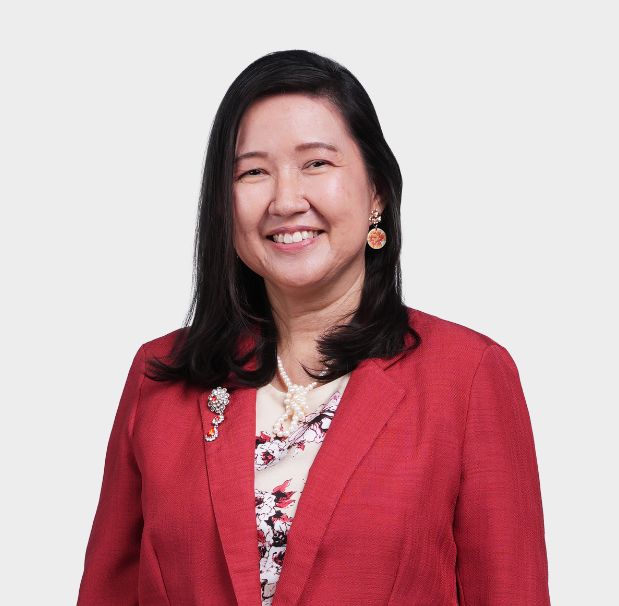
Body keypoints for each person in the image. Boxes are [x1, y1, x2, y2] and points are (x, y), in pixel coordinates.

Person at [76, 49, 551, 606]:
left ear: (377, 191)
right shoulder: (159, 379)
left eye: (317, 164)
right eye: (253, 172)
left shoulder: (467, 377)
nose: (285, 200)